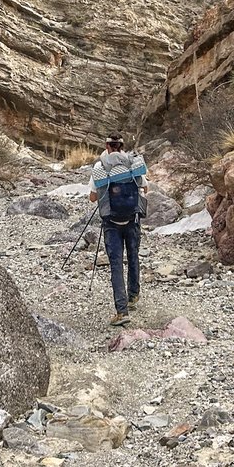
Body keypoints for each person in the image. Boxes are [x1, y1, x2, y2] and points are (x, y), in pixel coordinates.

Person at [88, 134, 147, 326]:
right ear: (122, 146)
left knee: (116, 264)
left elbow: (92, 198)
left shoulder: (100, 166)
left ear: (106, 145)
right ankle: (133, 296)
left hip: (111, 222)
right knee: (133, 256)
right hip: (132, 219)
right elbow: (144, 188)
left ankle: (122, 312)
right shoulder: (132, 162)